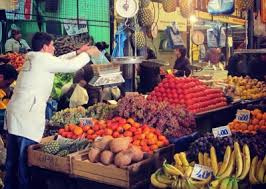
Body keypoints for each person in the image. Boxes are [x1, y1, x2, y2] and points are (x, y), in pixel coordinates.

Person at [4, 32, 100, 189]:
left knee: (12, 161)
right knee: (23, 163)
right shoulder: (42, 59)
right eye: (52, 45)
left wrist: (77, 52)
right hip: (26, 118)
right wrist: (87, 55)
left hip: (16, 114)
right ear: (45, 47)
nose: (54, 48)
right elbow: (71, 66)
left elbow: (57, 61)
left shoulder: (32, 57)